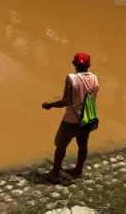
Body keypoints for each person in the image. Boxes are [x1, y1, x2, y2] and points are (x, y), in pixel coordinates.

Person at [42, 52, 99, 183]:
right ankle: (78, 170)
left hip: (71, 120)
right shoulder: (95, 78)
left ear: (74, 64)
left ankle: (55, 173)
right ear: (88, 65)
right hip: (88, 118)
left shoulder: (71, 78)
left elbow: (66, 101)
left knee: (60, 145)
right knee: (83, 144)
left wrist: (50, 105)